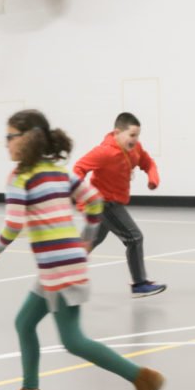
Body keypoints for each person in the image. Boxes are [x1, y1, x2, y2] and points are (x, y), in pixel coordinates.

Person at [0, 109, 165, 390]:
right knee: (24, 323)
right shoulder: (58, 171)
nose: (6, 144)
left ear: (26, 140)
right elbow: (95, 200)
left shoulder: (20, 177)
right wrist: (85, 237)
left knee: (74, 341)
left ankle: (141, 378)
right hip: (63, 264)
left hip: (57, 269)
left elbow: (14, 224)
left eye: (9, 137)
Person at [73, 112, 166, 297]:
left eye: (137, 135)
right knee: (134, 238)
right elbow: (78, 169)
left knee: (87, 243)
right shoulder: (104, 152)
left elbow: (148, 163)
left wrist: (153, 178)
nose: (135, 139)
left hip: (112, 202)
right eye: (132, 135)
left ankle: (65, 276)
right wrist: (81, 197)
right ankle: (139, 284)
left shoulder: (135, 148)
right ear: (117, 132)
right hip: (104, 204)